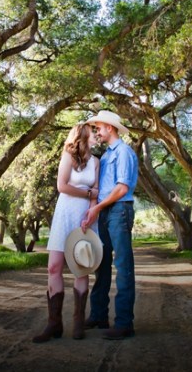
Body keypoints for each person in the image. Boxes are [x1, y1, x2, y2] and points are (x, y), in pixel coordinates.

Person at [32, 123, 99, 343]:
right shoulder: (67, 158)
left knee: (81, 268)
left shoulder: (96, 162)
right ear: (82, 136)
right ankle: (54, 324)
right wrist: (88, 192)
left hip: (84, 218)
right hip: (64, 215)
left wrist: (91, 211)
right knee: (54, 267)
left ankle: (78, 322)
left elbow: (95, 194)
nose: (97, 135)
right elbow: (62, 186)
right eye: (93, 133)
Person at [81, 110, 138, 340]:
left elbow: (122, 188)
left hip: (119, 211)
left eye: (99, 127)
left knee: (122, 266)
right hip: (105, 212)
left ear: (110, 128)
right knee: (100, 264)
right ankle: (99, 315)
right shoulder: (105, 156)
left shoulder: (124, 152)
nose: (97, 131)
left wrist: (97, 207)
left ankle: (124, 323)